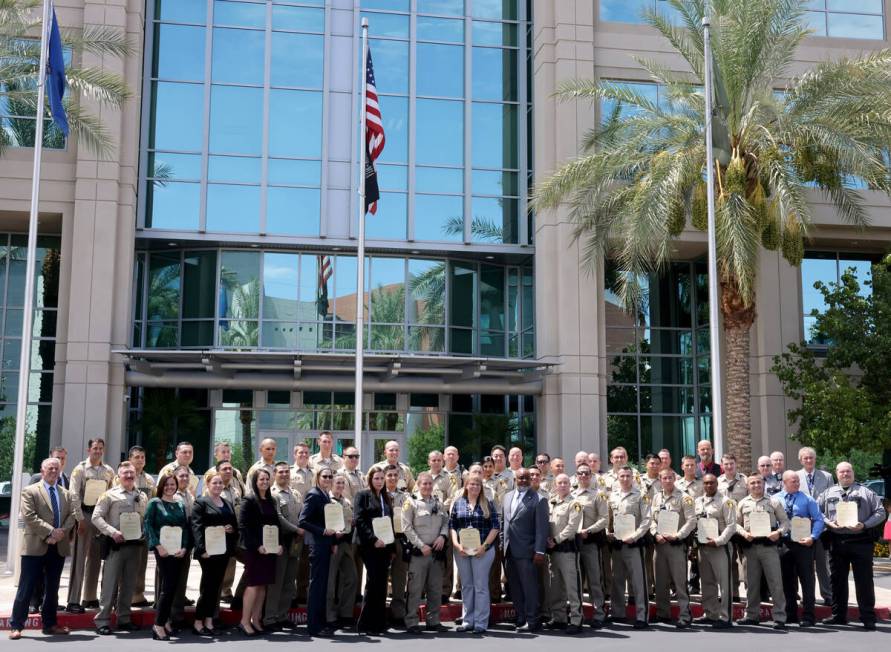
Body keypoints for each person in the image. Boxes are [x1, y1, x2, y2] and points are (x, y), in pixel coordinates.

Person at [9, 457, 75, 640]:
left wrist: (61, 533)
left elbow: (72, 516)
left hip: (58, 547)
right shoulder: (30, 491)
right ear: (42, 470)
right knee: (26, 587)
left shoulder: (66, 494)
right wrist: (51, 532)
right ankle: (16, 626)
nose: (54, 471)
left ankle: (50, 624)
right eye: (50, 468)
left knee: (52, 589)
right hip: (35, 546)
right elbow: (30, 516)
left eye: (56, 468)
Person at [819, 461, 886, 630]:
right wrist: (828, 523)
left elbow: (881, 512)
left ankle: (867, 617)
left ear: (853, 473)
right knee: (837, 581)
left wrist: (865, 524)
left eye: (848, 471)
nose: (845, 474)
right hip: (837, 541)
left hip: (860, 542)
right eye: (842, 472)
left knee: (864, 581)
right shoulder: (827, 493)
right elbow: (817, 512)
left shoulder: (866, 492)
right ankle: (839, 615)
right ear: (836, 474)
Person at [92, 461, 149, 635]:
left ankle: (124, 618)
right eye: (125, 473)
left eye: (132, 473)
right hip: (115, 545)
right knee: (110, 584)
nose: (129, 476)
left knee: (129, 584)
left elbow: (144, 519)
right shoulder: (109, 495)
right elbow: (96, 517)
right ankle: (102, 620)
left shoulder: (143, 496)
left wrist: (145, 532)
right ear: (119, 476)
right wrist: (112, 532)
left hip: (135, 546)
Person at [66, 438, 114, 612]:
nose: (98, 451)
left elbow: (111, 494)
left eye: (101, 448)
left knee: (96, 558)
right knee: (79, 559)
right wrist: (79, 519)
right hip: (84, 516)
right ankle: (73, 600)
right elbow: (74, 495)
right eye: (95, 448)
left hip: (100, 517)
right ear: (89, 450)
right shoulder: (80, 470)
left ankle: (90, 597)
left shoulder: (108, 471)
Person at [734, 474, 788, 629]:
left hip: (769, 548)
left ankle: (779, 617)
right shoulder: (743, 503)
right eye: (752, 483)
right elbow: (736, 525)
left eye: (758, 482)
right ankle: (751, 615)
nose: (756, 485)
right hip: (750, 549)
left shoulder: (773, 502)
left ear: (763, 484)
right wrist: (744, 533)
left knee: (775, 583)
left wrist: (778, 533)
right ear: (748, 486)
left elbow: (785, 522)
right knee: (751, 584)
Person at [449, 474, 500, 634]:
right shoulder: (458, 503)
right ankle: (467, 620)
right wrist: (457, 545)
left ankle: (480, 622)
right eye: (472, 484)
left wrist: (484, 546)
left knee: (481, 586)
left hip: (483, 551)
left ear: (481, 488)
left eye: (478, 485)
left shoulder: (488, 504)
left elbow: (495, 527)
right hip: (462, 551)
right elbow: (452, 525)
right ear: (466, 486)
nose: (475, 487)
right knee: (467, 586)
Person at [144, 473, 191, 641]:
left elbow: (185, 528)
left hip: (178, 551)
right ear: (161, 486)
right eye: (167, 484)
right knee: (168, 588)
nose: (170, 487)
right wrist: (157, 546)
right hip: (163, 550)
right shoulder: (154, 503)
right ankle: (158, 625)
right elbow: (148, 525)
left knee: (173, 587)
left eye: (173, 484)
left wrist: (185, 547)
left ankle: (165, 622)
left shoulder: (179, 504)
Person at [191, 470, 238, 636]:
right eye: (214, 483)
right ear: (207, 485)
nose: (218, 486)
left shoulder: (227, 503)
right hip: (208, 552)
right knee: (207, 587)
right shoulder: (201, 503)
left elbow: (233, 525)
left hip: (223, 551)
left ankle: (209, 621)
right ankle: (198, 622)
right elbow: (196, 527)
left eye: (220, 483)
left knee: (216, 587)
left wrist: (231, 529)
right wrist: (202, 549)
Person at [501, 467, 548, 632]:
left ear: (531, 480)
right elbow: (504, 523)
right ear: (515, 479)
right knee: (514, 586)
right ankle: (521, 617)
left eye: (526, 478)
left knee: (530, 587)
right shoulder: (506, 497)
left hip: (528, 552)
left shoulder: (539, 499)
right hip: (509, 551)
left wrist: (539, 551)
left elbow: (542, 529)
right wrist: (502, 544)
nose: (523, 481)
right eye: (520, 478)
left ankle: (532, 619)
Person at [402, 472, 450, 633]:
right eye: (424, 484)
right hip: (419, 552)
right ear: (418, 484)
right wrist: (421, 545)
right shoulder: (411, 502)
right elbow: (406, 527)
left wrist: (443, 536)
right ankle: (411, 621)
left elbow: (445, 521)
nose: (428, 486)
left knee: (435, 588)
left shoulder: (437, 501)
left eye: (430, 484)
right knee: (415, 588)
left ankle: (433, 620)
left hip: (436, 552)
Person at [777, 470, 824, 627]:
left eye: (798, 481)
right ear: (784, 482)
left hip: (803, 544)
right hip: (784, 543)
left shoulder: (807, 499)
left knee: (807, 580)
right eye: (793, 481)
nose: (797, 483)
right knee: (787, 581)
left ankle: (809, 616)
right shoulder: (775, 499)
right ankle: (790, 614)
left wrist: (813, 537)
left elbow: (818, 519)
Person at [239, 468, 282, 636]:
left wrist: (279, 545)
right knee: (253, 585)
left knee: (263, 586)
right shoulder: (249, 500)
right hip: (255, 550)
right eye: (261, 479)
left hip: (270, 550)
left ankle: (256, 619)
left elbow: (276, 525)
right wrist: (257, 546)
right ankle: (244, 621)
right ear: (255, 482)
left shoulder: (271, 500)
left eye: (266, 479)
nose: (264, 482)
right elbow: (244, 526)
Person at [25, 446, 69, 615]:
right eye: (57, 458)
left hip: (58, 537)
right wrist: (48, 531)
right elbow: (30, 509)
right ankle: (33, 602)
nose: (60, 462)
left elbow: (67, 509)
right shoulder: (37, 478)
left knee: (52, 576)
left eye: (63, 459)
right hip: (39, 535)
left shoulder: (64, 478)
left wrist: (64, 533)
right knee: (35, 573)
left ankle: (49, 603)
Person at [651, 469, 696, 628]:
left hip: (676, 545)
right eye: (664, 478)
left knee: (679, 582)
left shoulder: (685, 497)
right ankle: (663, 613)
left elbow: (691, 521)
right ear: (660, 479)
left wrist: (678, 535)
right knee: (661, 582)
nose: (668, 480)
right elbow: (651, 519)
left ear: (675, 479)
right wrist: (655, 533)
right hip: (660, 544)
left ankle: (685, 614)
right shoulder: (656, 497)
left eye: (670, 478)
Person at [607, 466, 650, 628]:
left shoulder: (641, 496)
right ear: (617, 478)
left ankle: (641, 616)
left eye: (628, 476)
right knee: (617, 580)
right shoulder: (613, 496)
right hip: (617, 544)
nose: (625, 478)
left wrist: (635, 536)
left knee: (638, 581)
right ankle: (618, 613)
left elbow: (647, 520)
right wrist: (608, 533)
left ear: (633, 478)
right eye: (622, 476)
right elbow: (608, 518)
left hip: (634, 544)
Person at [355, 467, 394, 635]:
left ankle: (379, 622)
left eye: (381, 478)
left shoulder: (386, 497)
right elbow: (360, 520)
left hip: (385, 546)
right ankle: (366, 624)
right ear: (370, 480)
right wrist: (373, 539)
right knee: (372, 583)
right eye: (376, 478)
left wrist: (391, 547)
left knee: (382, 583)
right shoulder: (363, 496)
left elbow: (389, 522)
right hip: (369, 546)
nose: (379, 481)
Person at [694, 474, 736, 628]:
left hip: (719, 547)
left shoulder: (726, 502)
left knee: (724, 583)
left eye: (712, 483)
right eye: (706, 483)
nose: (709, 485)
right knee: (707, 582)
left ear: (717, 483)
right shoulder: (698, 501)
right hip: (703, 547)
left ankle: (726, 617)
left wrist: (718, 541)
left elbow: (731, 526)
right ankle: (711, 613)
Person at [264, 462, 303, 630]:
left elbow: (301, 514)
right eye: (281, 472)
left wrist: (301, 530)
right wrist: (298, 530)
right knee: (276, 582)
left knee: (289, 581)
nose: (285, 475)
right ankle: (270, 618)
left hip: (295, 542)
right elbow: (278, 517)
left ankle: (282, 616)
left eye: (287, 472)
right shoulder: (273, 494)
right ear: (275, 474)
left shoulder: (295, 494)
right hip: (280, 541)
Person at [299, 468, 337, 637]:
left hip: (326, 544)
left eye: (330, 476)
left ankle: (320, 623)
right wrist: (322, 531)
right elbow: (303, 520)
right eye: (325, 476)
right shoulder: (314, 494)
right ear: (318, 478)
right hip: (317, 544)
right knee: (316, 586)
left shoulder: (325, 494)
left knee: (322, 586)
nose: (328, 479)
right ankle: (313, 626)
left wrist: (333, 540)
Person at [544, 474, 583, 634]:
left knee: (572, 587)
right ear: (555, 485)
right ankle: (559, 618)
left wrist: (556, 539)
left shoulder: (574, 503)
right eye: (559, 482)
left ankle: (576, 619)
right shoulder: (551, 502)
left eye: (566, 482)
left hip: (567, 550)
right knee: (556, 587)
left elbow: (572, 526)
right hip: (553, 551)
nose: (563, 485)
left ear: (570, 485)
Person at [796, 446, 834, 606]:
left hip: (822, 527)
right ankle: (807, 595)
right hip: (802, 527)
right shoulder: (795, 476)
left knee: (822, 564)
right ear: (801, 460)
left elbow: (831, 500)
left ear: (815, 459)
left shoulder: (826, 477)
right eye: (805, 458)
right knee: (805, 565)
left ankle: (828, 595)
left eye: (811, 457)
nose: (809, 460)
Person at [572, 463, 609, 628]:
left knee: (595, 579)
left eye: (587, 473)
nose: (584, 476)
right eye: (580, 473)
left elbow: (604, 519)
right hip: (573, 543)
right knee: (576, 581)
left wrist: (590, 530)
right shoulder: (571, 495)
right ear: (576, 476)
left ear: (591, 475)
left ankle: (599, 613)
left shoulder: (598, 495)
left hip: (590, 542)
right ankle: (577, 614)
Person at [125, 445, 156, 608]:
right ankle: (123, 595)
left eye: (142, 457)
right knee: (126, 561)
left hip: (143, 526)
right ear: (130, 459)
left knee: (141, 561)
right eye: (136, 457)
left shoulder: (149, 480)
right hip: (126, 524)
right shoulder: (123, 476)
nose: (140, 460)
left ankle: (138, 595)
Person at [211, 460, 244, 604]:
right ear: (218, 472)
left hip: (234, 533)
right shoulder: (213, 489)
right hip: (218, 534)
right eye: (225, 469)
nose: (228, 471)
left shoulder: (235, 490)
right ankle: (216, 596)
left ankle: (226, 590)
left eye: (230, 468)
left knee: (231, 563)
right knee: (217, 568)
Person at [326, 475, 357, 630]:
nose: (340, 485)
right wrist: (332, 542)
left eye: (342, 483)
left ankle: (345, 613)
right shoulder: (326, 500)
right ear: (331, 484)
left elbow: (350, 522)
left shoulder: (346, 502)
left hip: (346, 543)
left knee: (352, 578)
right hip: (332, 545)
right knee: (330, 583)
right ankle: (329, 616)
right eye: (337, 482)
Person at [384, 464, 410, 626]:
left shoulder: (406, 497)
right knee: (380, 579)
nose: (393, 478)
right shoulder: (378, 496)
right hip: (383, 541)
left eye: (395, 475)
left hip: (400, 540)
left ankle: (398, 614)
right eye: (390, 475)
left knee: (400, 579)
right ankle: (379, 613)